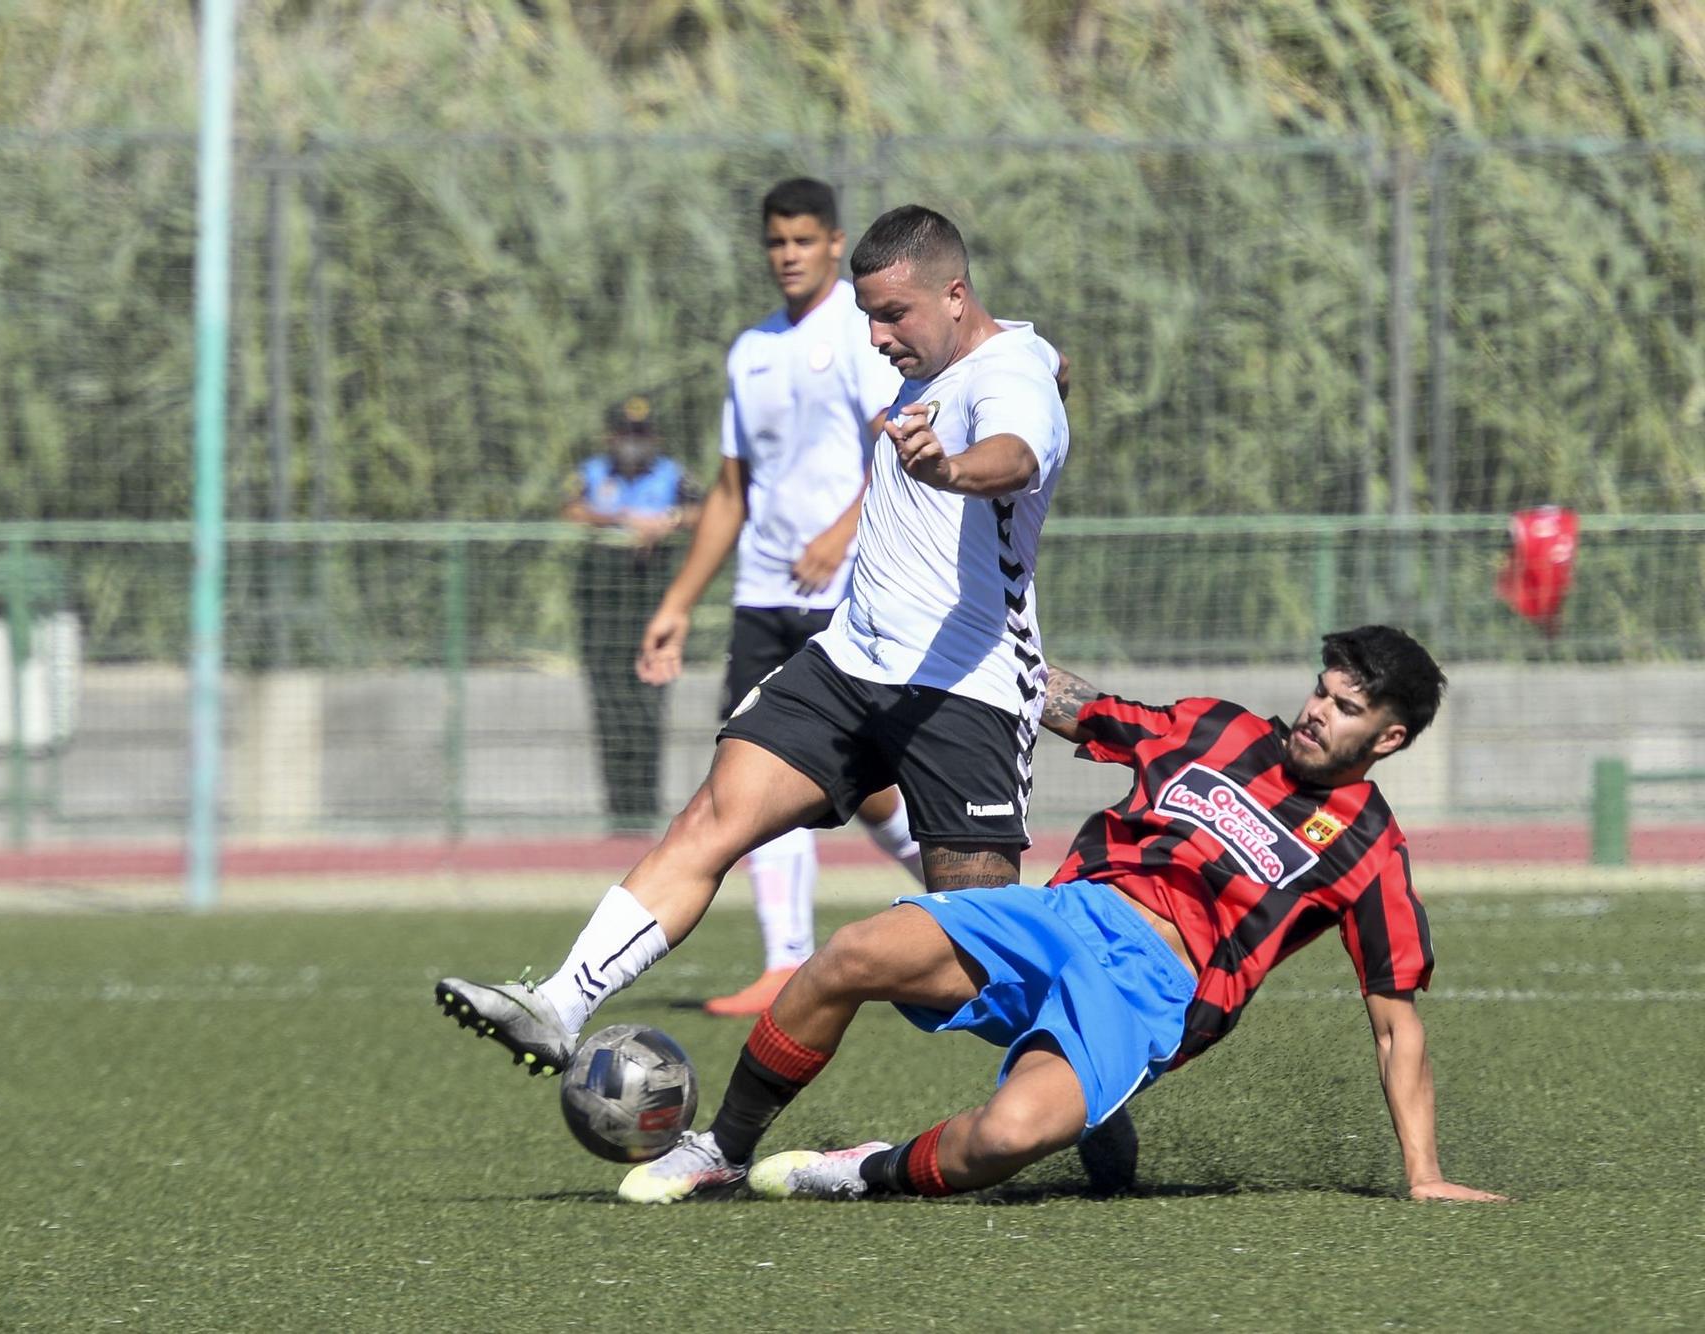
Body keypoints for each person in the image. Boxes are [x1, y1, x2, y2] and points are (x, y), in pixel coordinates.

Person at [436, 204, 1071, 1083]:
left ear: (955, 295)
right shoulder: (965, 359)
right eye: (869, 318)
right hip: (849, 663)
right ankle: (560, 1003)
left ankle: (1080, 1073)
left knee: (977, 946)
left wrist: (951, 470)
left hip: (964, 691)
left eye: (896, 316)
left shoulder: (1010, 379)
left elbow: (1016, 452)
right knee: (712, 817)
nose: (880, 337)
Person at [613, 627, 1510, 1207]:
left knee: (1010, 1136)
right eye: (1322, 690)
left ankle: (857, 1170)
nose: (1317, 712)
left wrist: (1424, 1175)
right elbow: (1079, 707)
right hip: (1064, 914)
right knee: (849, 955)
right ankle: (720, 1152)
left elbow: (1397, 1028)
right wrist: (972, 645)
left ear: (1387, 739)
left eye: (1346, 709)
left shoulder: (1371, 850)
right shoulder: (1219, 730)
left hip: (1150, 995)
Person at [634, 177, 921, 1016]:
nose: (788, 255)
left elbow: (897, 448)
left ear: (835, 243)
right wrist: (681, 600)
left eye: (803, 240)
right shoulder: (750, 350)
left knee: (871, 787)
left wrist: (841, 532)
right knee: (759, 767)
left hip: (851, 591)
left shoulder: (861, 332)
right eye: (775, 242)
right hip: (764, 597)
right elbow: (730, 491)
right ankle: (782, 961)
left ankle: (976, 910)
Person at [563, 395, 699, 833]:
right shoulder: (592, 474)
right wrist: (621, 520)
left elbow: (709, 510)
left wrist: (667, 521)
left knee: (648, 705)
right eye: (626, 436)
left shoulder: (673, 476)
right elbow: (571, 511)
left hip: (651, 596)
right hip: (603, 603)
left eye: (642, 436)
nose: (634, 445)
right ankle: (618, 813)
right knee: (610, 706)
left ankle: (643, 809)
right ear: (610, 438)